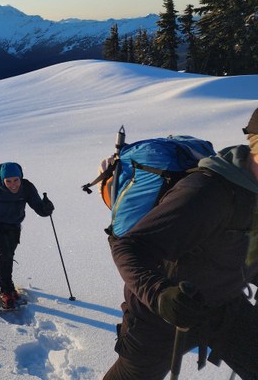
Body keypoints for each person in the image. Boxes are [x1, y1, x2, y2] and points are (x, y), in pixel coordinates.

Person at [103, 107, 258, 380]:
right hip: (161, 314)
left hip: (223, 304)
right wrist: (160, 294)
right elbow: (129, 247)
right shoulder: (207, 191)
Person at [0, 162, 54, 309]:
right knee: (4, 252)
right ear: (3, 180)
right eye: (8, 181)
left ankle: (8, 285)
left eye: (16, 180)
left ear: (20, 177)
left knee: (9, 253)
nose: (13, 184)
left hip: (14, 224)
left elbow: (39, 208)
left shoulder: (27, 187)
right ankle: (5, 290)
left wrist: (47, 208)